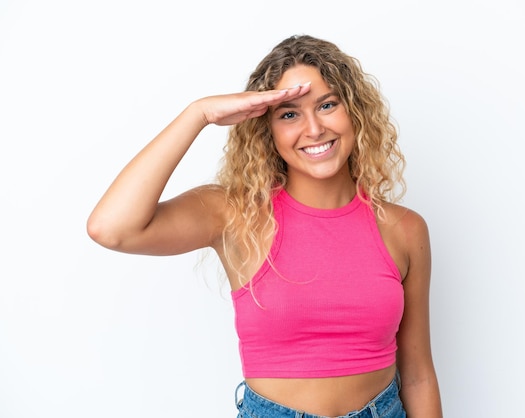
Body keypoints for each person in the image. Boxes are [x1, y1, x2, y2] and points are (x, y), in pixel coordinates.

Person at [87, 34, 442, 418]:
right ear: (266, 129)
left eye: (327, 105)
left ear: (355, 112)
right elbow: (111, 227)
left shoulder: (405, 229)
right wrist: (199, 114)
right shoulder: (234, 213)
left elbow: (419, 374)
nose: (314, 129)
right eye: (289, 114)